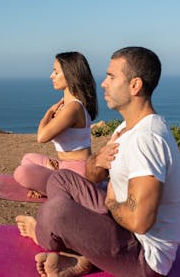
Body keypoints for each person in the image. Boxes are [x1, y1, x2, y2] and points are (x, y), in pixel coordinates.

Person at [16, 46, 180, 277]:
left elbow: (140, 221)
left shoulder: (147, 140)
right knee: (62, 179)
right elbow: (93, 175)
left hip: (143, 257)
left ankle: (45, 236)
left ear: (135, 85)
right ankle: (84, 252)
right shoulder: (126, 129)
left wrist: (111, 201)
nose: (103, 83)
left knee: (55, 211)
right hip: (120, 227)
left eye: (111, 77)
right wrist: (97, 161)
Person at [13, 51, 98, 198]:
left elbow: (41, 137)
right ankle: (53, 179)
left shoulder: (73, 108)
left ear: (70, 75)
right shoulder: (68, 106)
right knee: (27, 158)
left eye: (56, 72)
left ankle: (55, 185)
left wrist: (49, 112)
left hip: (77, 171)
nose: (51, 76)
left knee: (22, 173)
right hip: (64, 165)